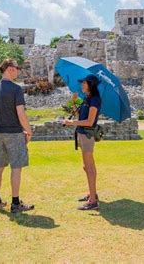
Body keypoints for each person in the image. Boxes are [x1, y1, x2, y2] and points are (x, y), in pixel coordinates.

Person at [0, 59, 34, 213]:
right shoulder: (16, 89)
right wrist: (29, 130)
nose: (19, 71)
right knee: (16, 168)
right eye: (17, 68)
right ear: (10, 69)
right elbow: (21, 114)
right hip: (14, 133)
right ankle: (15, 203)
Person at [63, 74, 102, 211]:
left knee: (89, 167)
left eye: (83, 83)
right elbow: (80, 115)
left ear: (90, 84)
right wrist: (74, 102)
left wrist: (71, 122)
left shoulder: (95, 100)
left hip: (87, 135)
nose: (81, 85)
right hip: (82, 134)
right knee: (87, 167)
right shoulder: (87, 98)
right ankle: (92, 194)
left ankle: (92, 201)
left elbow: (90, 122)